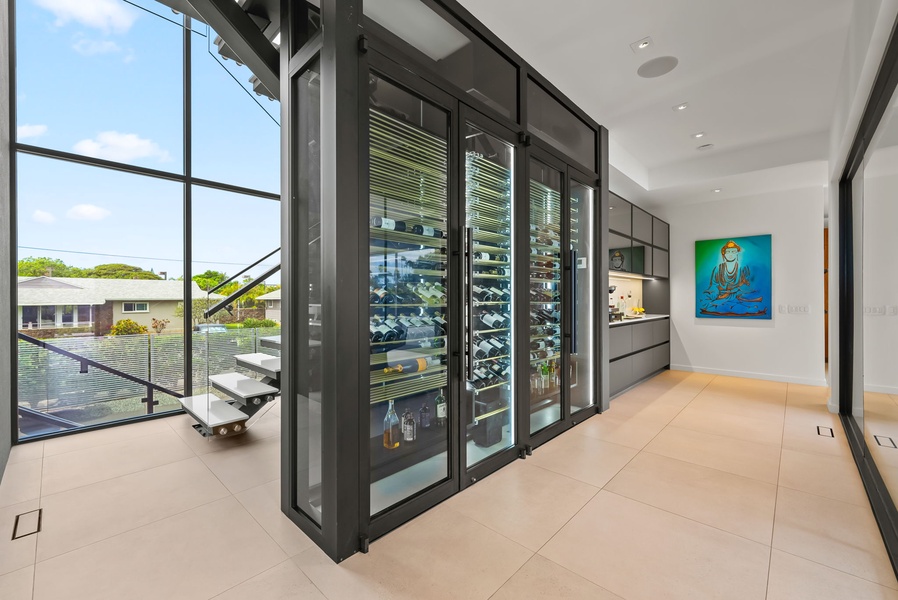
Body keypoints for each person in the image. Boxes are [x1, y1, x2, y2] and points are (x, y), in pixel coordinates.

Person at [699, 240, 767, 316]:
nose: (730, 254)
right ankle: (734, 307)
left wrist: (735, 289)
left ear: (737, 253)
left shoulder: (743, 269)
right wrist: (719, 292)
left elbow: (748, 286)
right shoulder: (718, 269)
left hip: (738, 296)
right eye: (728, 252)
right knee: (705, 299)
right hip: (722, 297)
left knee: (753, 297)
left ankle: (730, 307)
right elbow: (713, 286)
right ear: (724, 254)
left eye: (733, 251)